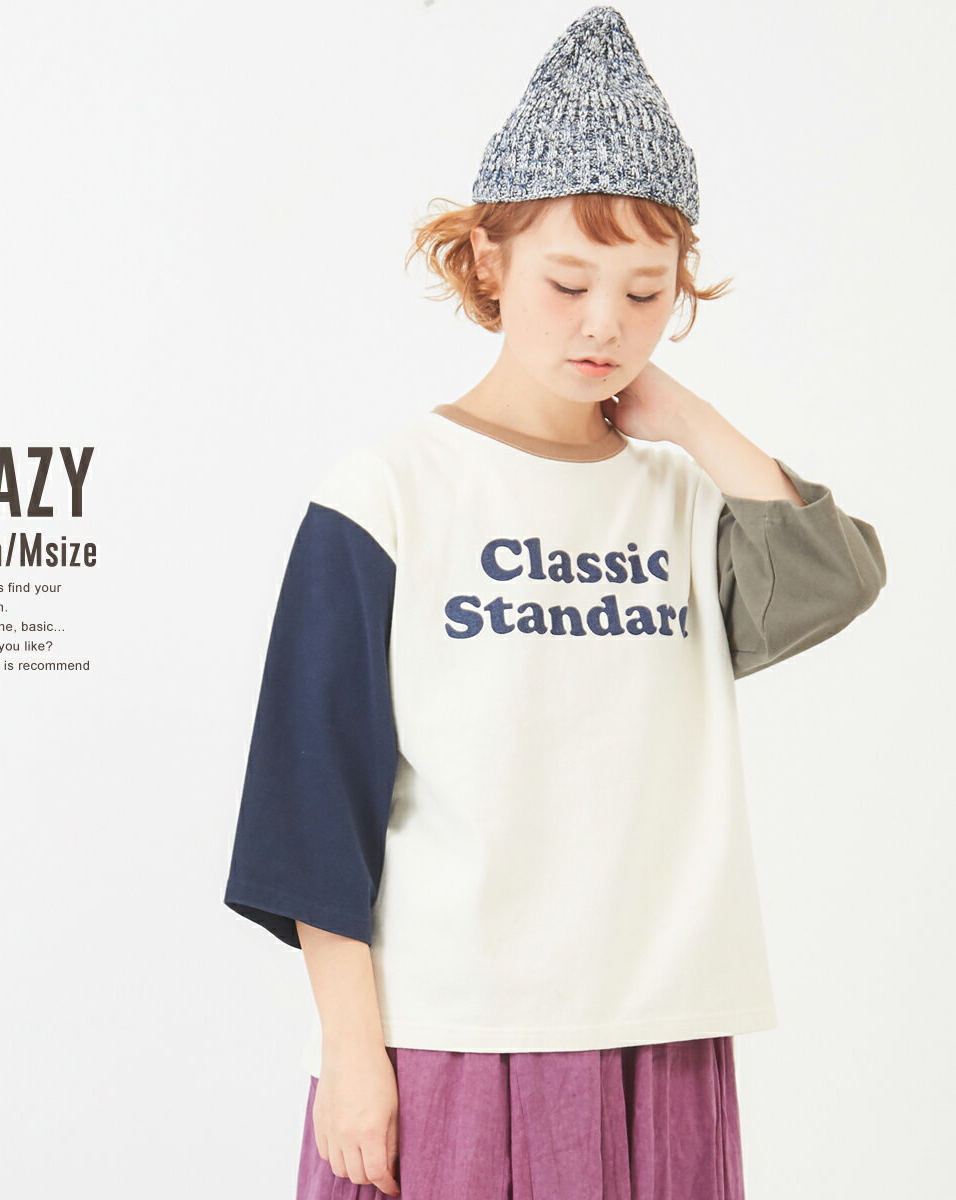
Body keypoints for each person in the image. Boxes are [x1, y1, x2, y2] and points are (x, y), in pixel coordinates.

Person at [222, 7, 887, 1198]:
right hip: (457, 1032)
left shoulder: (681, 504)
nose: (603, 325)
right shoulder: (390, 492)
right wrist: (350, 1050)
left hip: (662, 1029)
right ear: (488, 261)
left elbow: (835, 577)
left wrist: (689, 419)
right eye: (569, 280)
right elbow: (310, 798)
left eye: (645, 293)